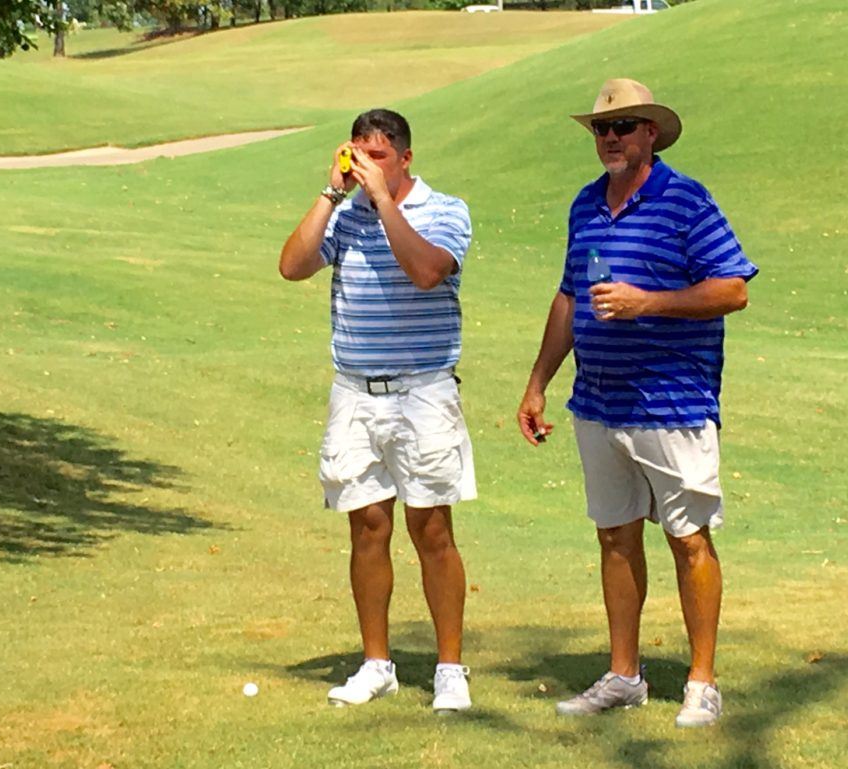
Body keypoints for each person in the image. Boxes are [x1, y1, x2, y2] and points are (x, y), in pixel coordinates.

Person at [516, 79, 758, 726]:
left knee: (688, 539)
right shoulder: (586, 206)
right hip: (598, 402)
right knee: (615, 538)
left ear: (651, 132)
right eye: (602, 129)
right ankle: (624, 674)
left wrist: (648, 302)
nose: (612, 138)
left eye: (625, 127)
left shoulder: (686, 200)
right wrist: (539, 380)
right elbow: (570, 295)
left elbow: (733, 288)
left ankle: (702, 681)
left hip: (673, 403)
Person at [279, 108, 475, 713]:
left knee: (432, 529)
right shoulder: (345, 213)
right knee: (366, 528)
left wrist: (384, 200)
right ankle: (376, 663)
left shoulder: (445, 209)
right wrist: (330, 193)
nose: (365, 167)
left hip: (423, 391)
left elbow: (425, 272)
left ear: (406, 159)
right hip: (355, 392)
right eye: (357, 154)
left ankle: (448, 668)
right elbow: (293, 266)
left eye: (378, 156)